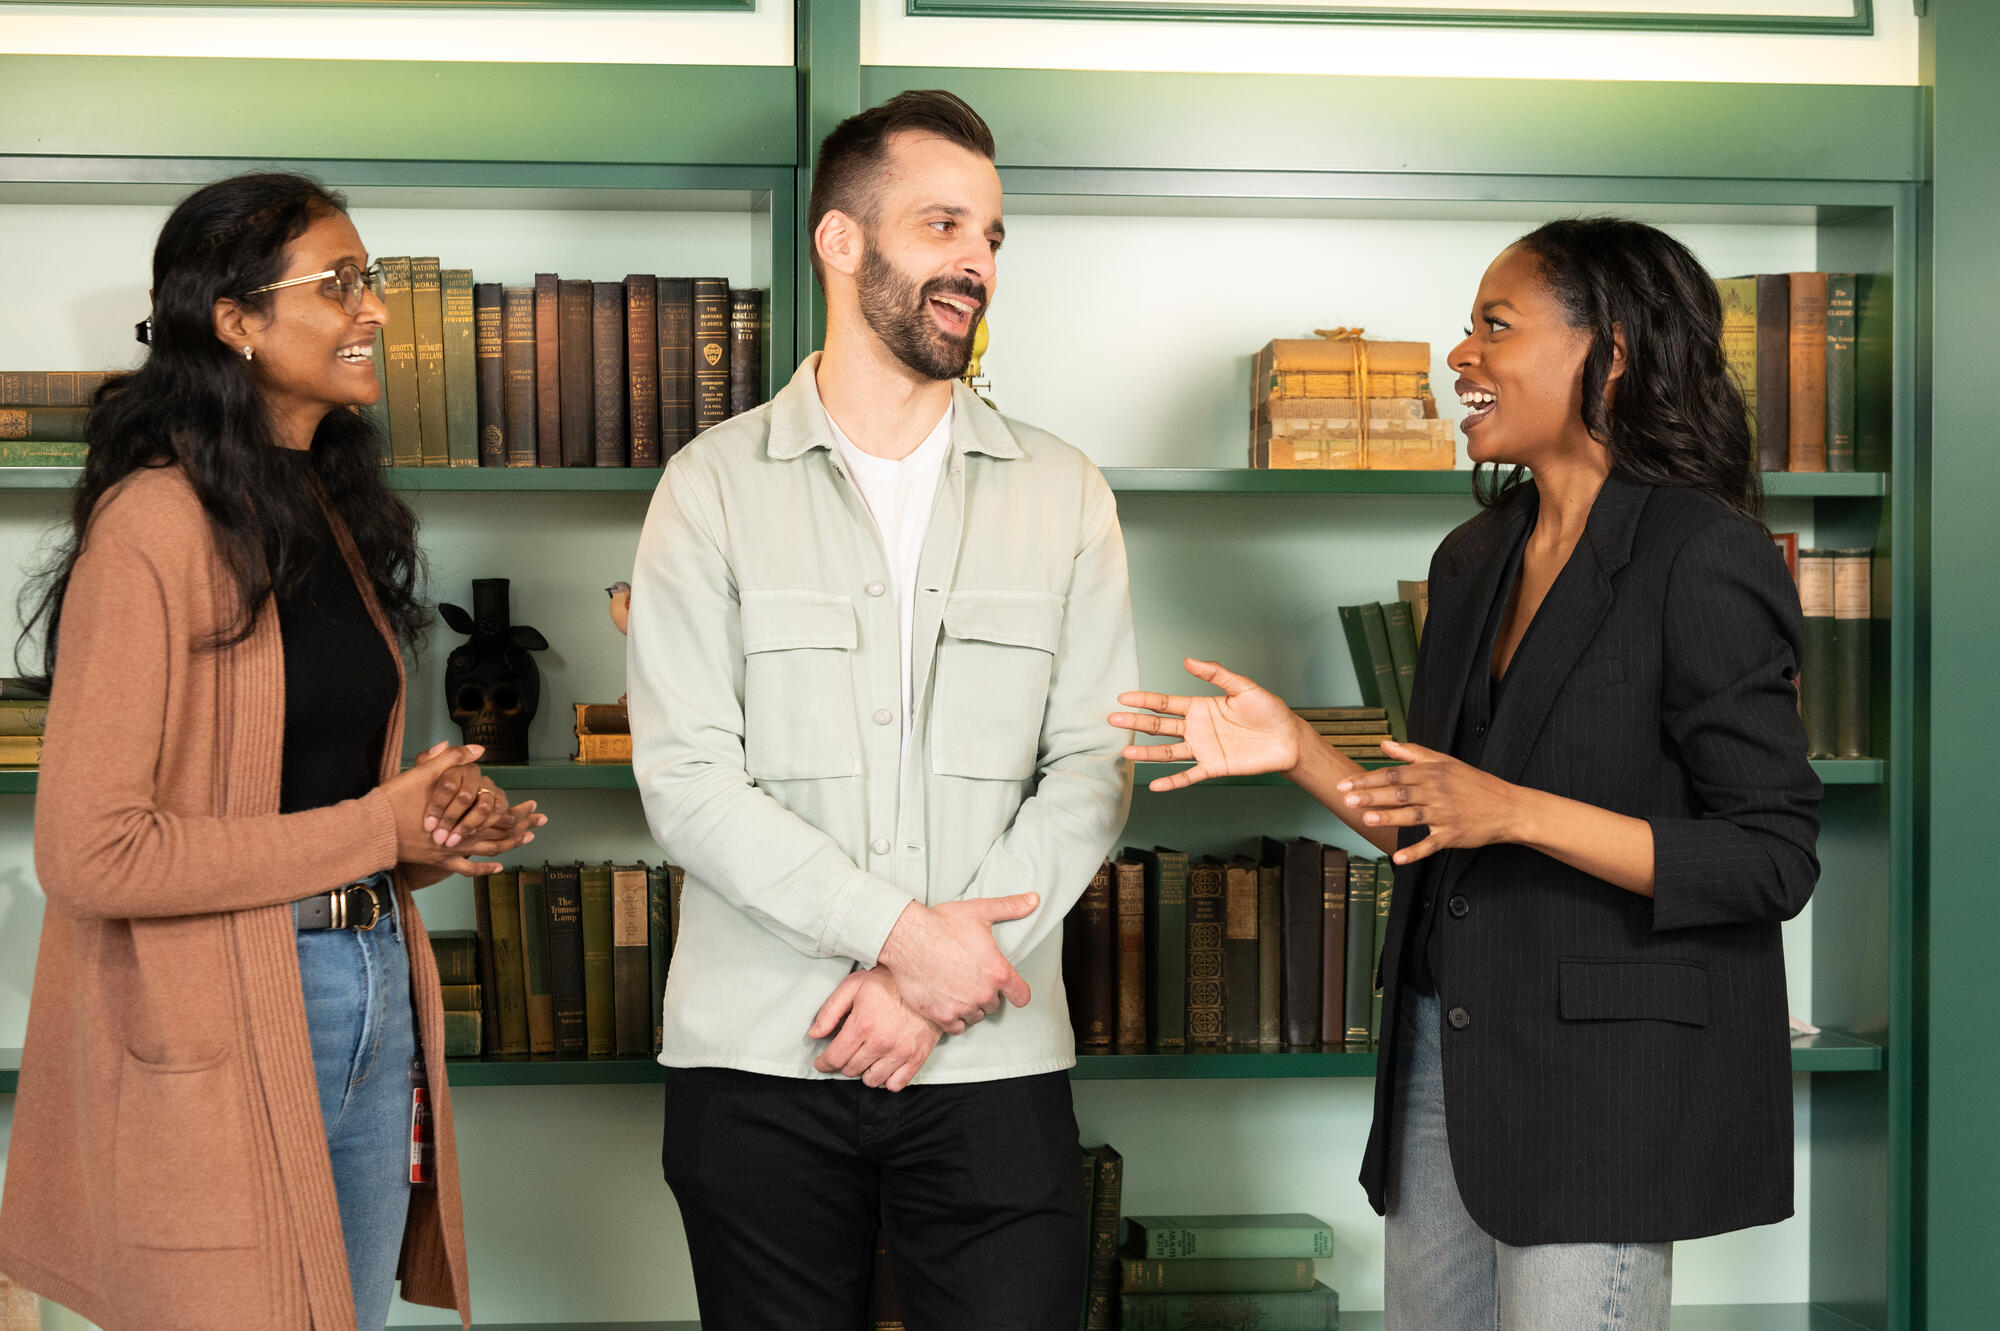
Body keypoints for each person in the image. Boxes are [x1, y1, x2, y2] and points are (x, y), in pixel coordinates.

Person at [1113, 218, 1821, 1330]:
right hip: (1444, 1057)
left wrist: (1517, 810)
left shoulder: (1699, 553)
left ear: (1613, 351)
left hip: (1604, 1090)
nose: (1460, 356)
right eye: (1465, 327)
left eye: (1495, 326)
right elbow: (1436, 824)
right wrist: (1297, 746)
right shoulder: (1472, 555)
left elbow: (1770, 858)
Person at [0, 173, 547, 1331]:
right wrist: (374, 828)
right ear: (235, 319)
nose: (376, 310)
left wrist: (428, 837)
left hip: (368, 983)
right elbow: (90, 853)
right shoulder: (154, 523)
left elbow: (308, 793)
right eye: (338, 282)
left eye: (372, 279)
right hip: (225, 1005)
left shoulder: (325, 511)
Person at [627, 90, 1136, 1331]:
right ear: (841, 241)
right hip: (756, 1056)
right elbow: (687, 779)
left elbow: (1089, 767)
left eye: (994, 236)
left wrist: (934, 980)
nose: (975, 260)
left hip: (993, 1057)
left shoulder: (1065, 494)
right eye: (943, 223)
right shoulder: (705, 489)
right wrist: (905, 937)